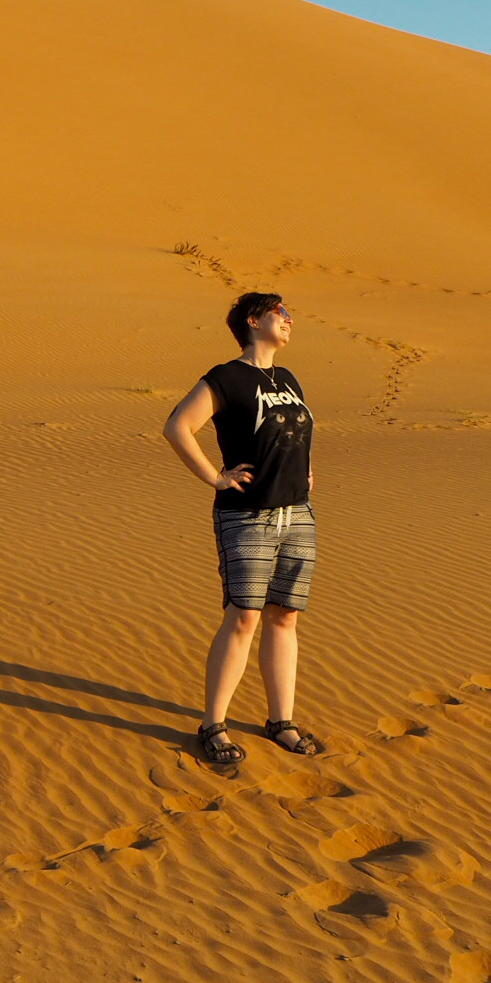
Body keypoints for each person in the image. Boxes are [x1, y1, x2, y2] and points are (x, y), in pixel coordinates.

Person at [161, 291, 320, 764]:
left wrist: (306, 471)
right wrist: (215, 477)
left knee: (284, 616)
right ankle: (213, 725)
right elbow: (177, 427)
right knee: (244, 616)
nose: (289, 319)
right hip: (247, 515)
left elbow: (295, 432)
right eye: (280, 312)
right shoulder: (226, 377)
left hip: (297, 514)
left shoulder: (287, 378)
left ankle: (281, 721)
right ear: (253, 321)